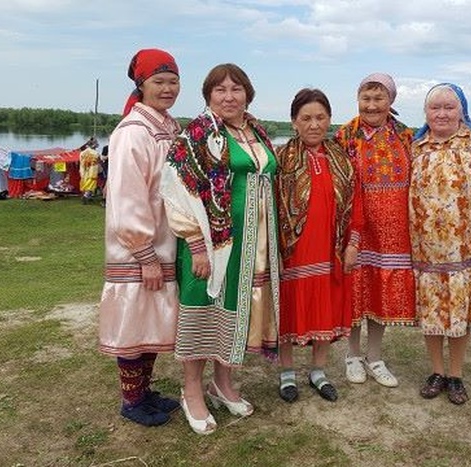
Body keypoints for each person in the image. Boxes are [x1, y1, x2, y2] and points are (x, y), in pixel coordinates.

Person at [162, 63, 279, 434]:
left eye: (236, 89)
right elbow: (175, 189)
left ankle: (222, 383)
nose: (229, 97)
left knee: (234, 311)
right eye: (220, 90)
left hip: (251, 247)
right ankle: (192, 390)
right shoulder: (197, 134)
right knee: (203, 310)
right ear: (208, 95)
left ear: (248, 93)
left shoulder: (255, 130)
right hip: (213, 245)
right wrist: (195, 244)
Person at [97, 48, 183, 427]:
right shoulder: (133, 132)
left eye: (173, 81)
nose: (167, 89)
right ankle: (131, 400)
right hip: (141, 247)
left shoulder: (168, 126)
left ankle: (144, 392)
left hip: (167, 240)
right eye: (159, 82)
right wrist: (144, 254)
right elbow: (127, 197)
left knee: (152, 322)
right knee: (135, 322)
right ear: (141, 84)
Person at [409, 83, 471, 404]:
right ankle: (436, 371)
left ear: (462, 109)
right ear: (426, 112)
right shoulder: (416, 146)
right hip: (425, 249)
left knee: (459, 314)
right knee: (432, 313)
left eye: (448, 107)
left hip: (464, 248)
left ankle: (455, 375)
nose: (441, 113)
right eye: (434, 108)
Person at [334, 72, 417, 388]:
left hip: (393, 231)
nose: (371, 105)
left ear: (390, 101)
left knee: (381, 292)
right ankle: (352, 355)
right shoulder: (345, 136)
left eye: (378, 98)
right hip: (356, 228)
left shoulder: (406, 137)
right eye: (366, 98)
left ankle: (375, 356)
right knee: (356, 289)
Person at [275, 89, 356, 403]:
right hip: (291, 251)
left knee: (326, 305)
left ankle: (319, 371)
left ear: (330, 119)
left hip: (330, 249)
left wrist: (353, 244)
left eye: (320, 117)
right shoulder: (279, 159)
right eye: (306, 118)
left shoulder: (342, 160)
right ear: (294, 121)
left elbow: (356, 205)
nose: (313, 124)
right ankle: (286, 373)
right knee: (288, 309)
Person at [79, 138, 100, 204]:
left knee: (85, 183)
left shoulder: (82, 153)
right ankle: (86, 197)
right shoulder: (96, 153)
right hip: (92, 171)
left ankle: (87, 196)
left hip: (84, 170)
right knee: (91, 184)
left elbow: (80, 160)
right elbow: (98, 160)